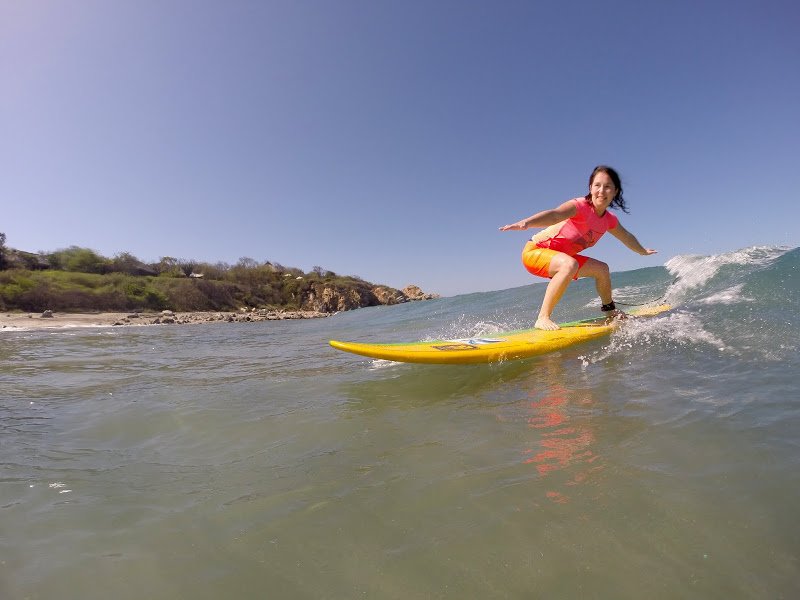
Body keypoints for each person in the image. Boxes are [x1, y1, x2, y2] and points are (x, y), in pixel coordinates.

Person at [499, 165, 657, 330]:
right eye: (597, 185)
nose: (601, 190)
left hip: (561, 258)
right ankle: (543, 318)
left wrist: (642, 251)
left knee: (602, 270)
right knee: (569, 264)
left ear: (615, 191)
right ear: (590, 188)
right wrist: (527, 223)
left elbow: (626, 236)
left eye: (607, 186)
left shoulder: (609, 220)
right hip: (534, 252)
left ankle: (610, 312)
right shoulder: (580, 206)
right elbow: (555, 214)